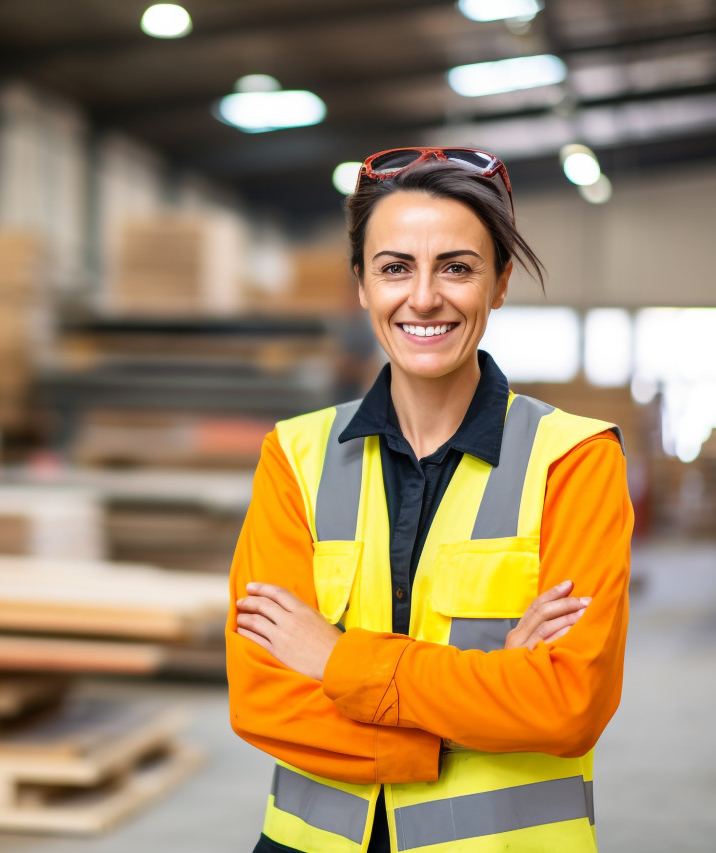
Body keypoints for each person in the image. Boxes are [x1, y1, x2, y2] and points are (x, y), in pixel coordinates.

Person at [226, 147, 632, 853]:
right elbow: (261, 696)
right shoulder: (294, 457)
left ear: (500, 282)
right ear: (360, 284)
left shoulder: (574, 460)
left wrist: (335, 660)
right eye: (394, 267)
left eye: (457, 266)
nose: (423, 297)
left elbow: (568, 705)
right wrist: (491, 692)